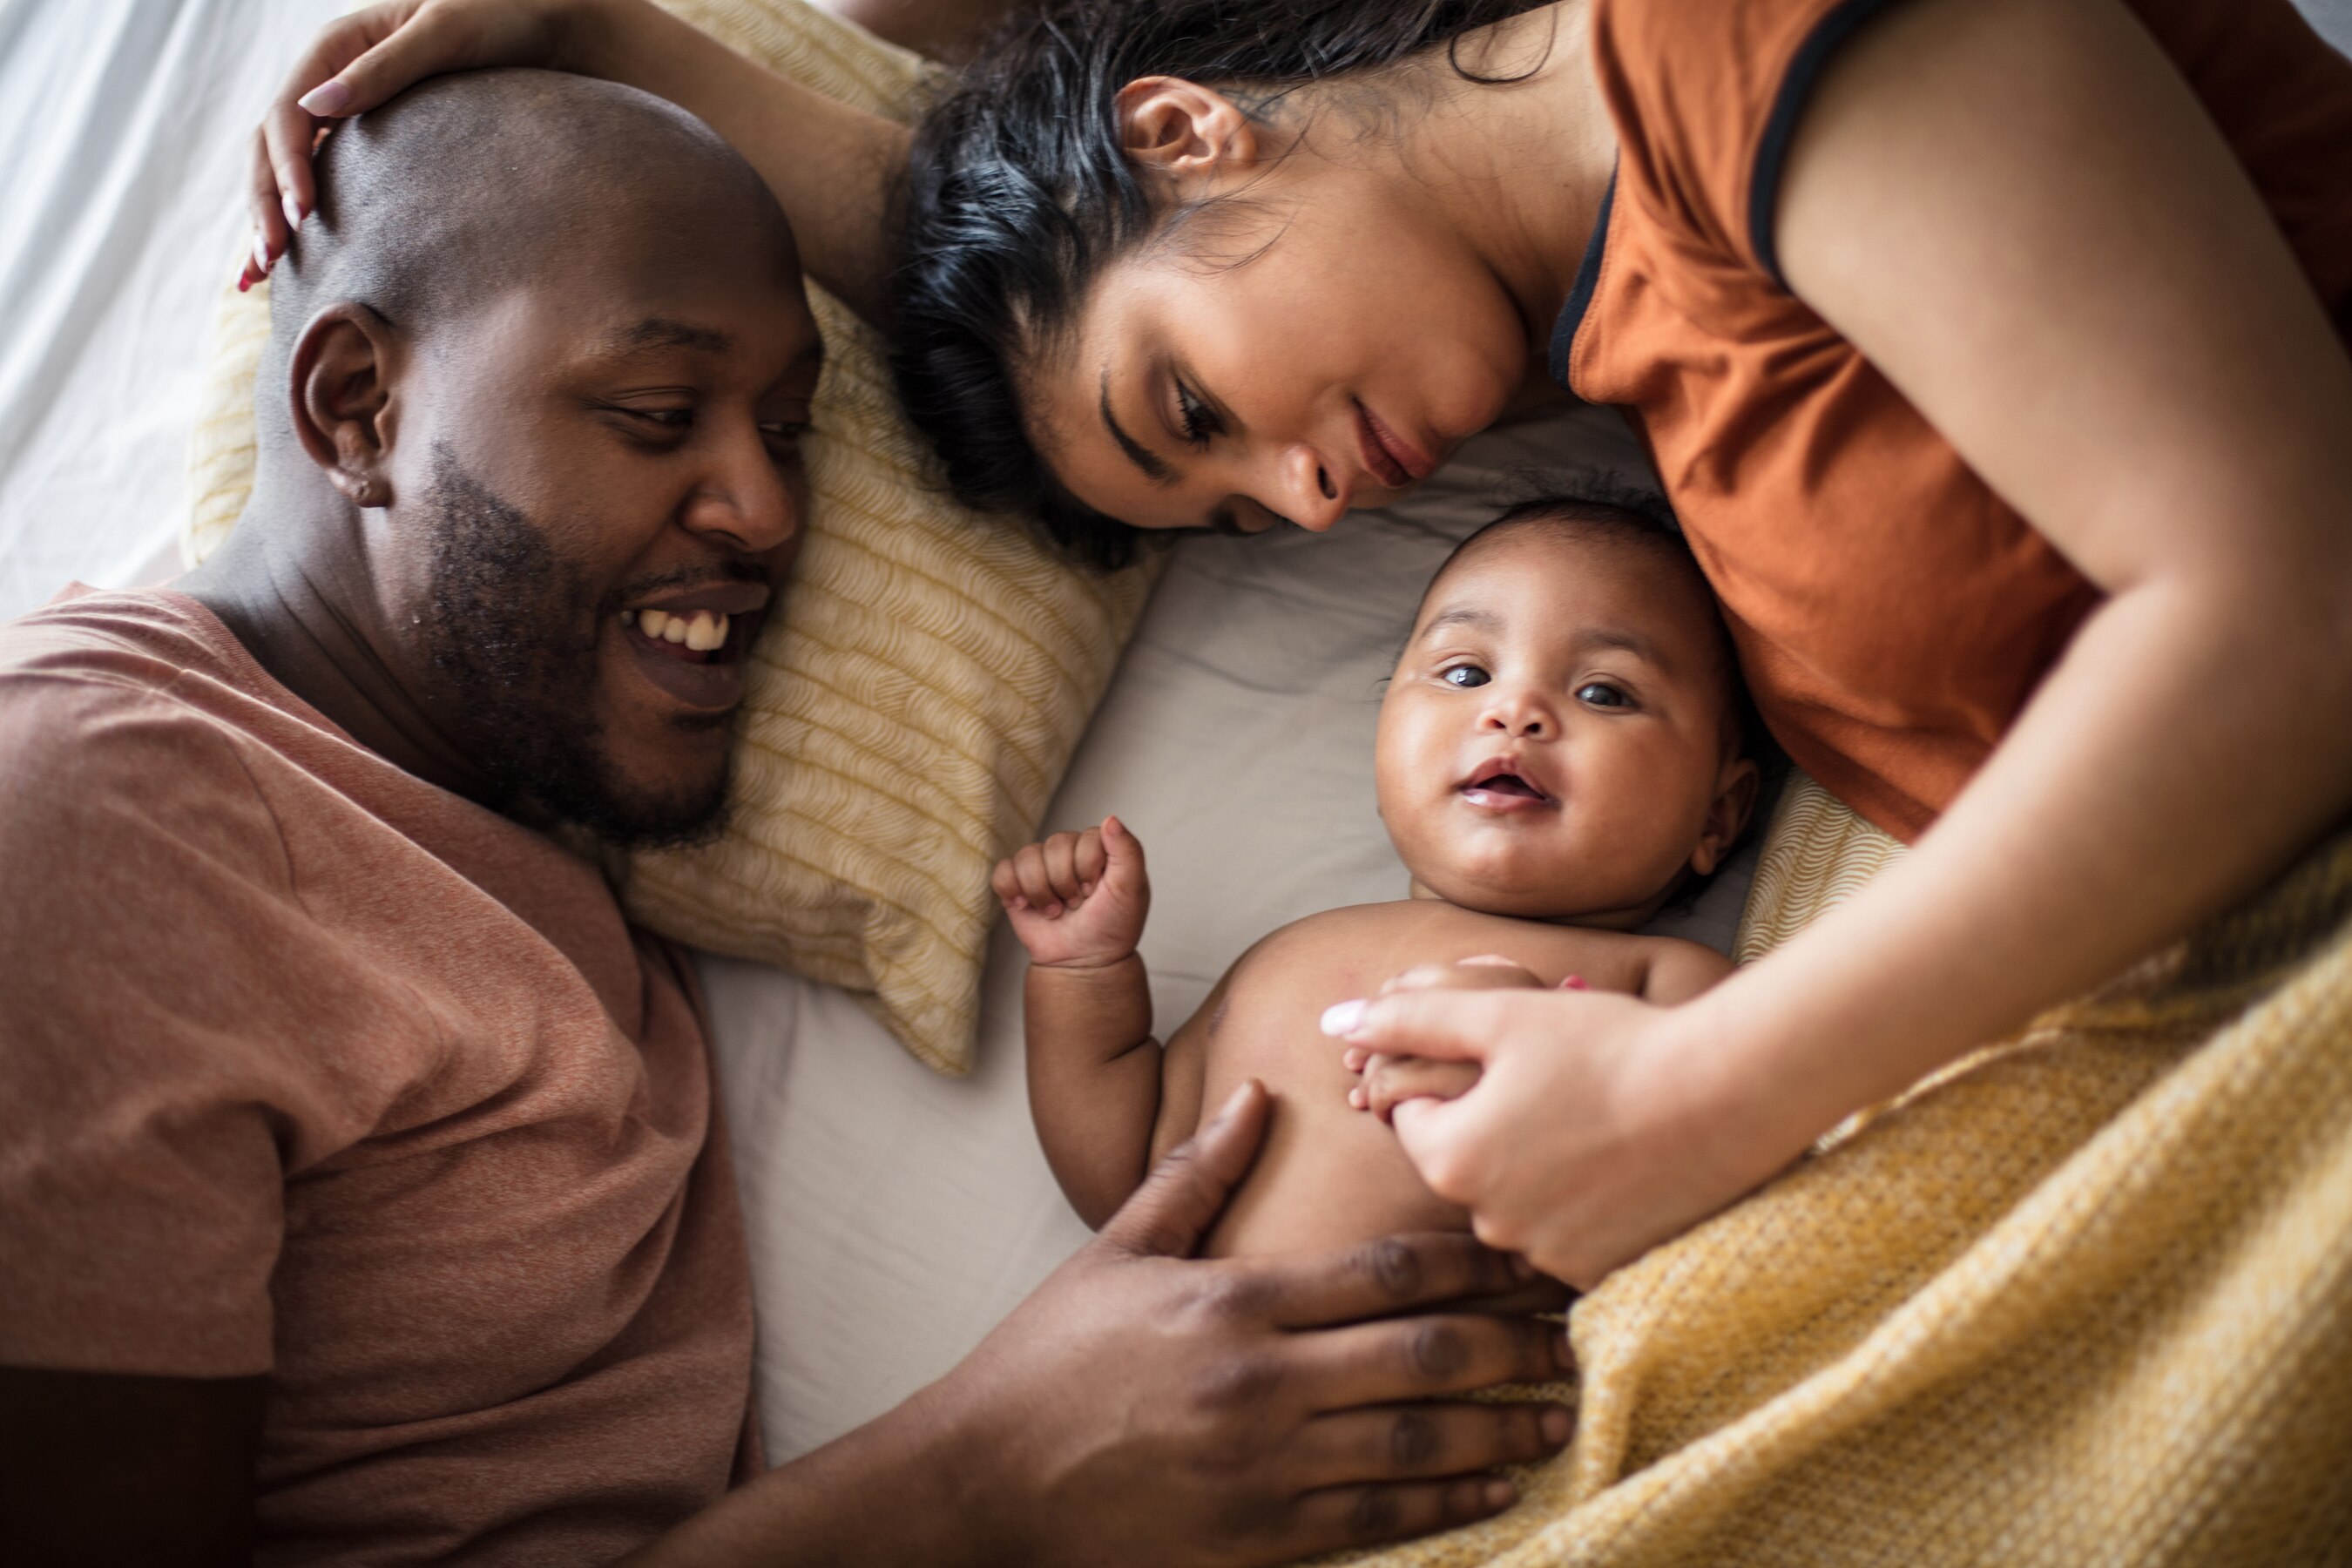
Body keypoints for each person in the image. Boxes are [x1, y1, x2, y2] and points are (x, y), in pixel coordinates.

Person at [241, 0, 2352, 1293]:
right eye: (1234, 508)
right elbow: (1002, 235)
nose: (1311, 501)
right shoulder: (1584, 306)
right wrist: (597, 32)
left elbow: (2291, 609)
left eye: (1202, 420)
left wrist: (1709, 1086)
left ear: (1186, 128)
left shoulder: (1729, 39)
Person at [0, 68, 1578, 1567]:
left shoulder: (490, 796)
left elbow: (1113, 254)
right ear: (357, 405)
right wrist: (984, 1481)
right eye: (653, 409)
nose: (766, 510)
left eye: (788, 429)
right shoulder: (92, 806)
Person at [995, 497, 1755, 1265]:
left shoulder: (1672, 985)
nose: (1512, 709)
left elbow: (1713, 1204)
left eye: (1603, 692)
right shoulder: (1284, 959)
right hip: (1187, 1358)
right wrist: (1082, 976)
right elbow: (1131, 1190)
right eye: (1466, 672)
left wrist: (1542, 1058)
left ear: (1717, 817)